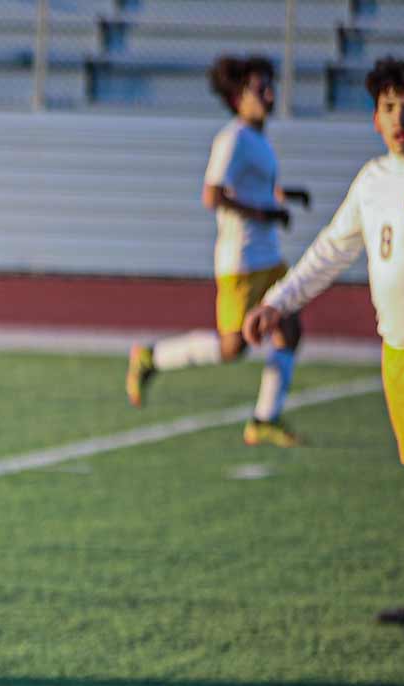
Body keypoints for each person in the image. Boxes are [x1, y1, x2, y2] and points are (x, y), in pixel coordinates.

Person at [249, 55, 404, 640]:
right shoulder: (372, 180)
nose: (399, 117)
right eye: (388, 106)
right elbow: (331, 250)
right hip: (399, 349)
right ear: (375, 117)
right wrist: (279, 301)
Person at [126, 54, 313, 445]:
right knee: (232, 347)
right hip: (242, 259)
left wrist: (283, 197)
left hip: (269, 256)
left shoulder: (258, 138)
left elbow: (254, 189)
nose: (267, 93)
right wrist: (263, 212)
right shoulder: (233, 138)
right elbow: (212, 195)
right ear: (236, 99)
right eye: (256, 88)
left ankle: (264, 418)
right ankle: (152, 356)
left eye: (268, 85)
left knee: (289, 329)